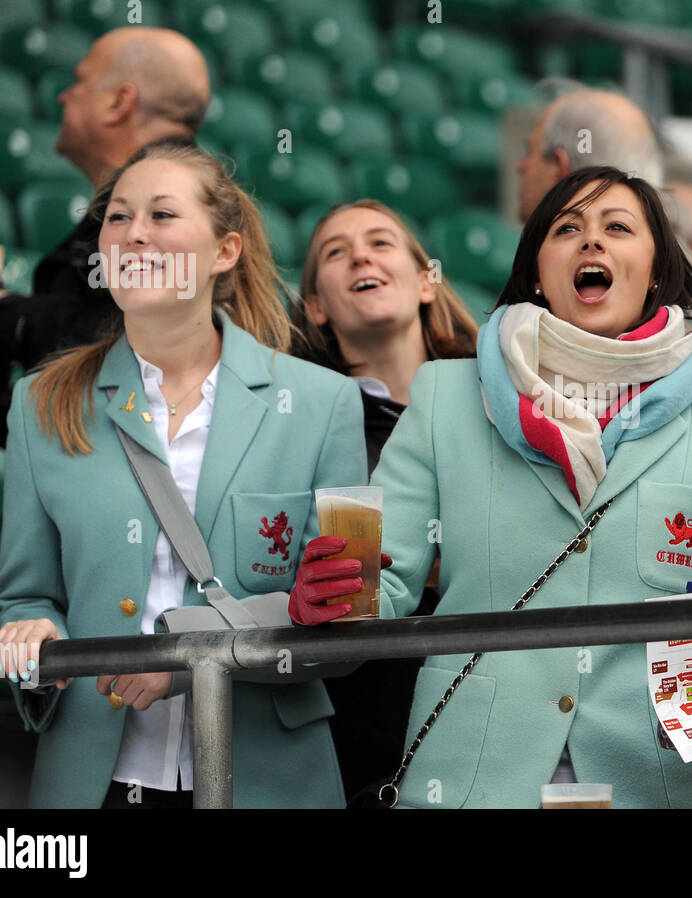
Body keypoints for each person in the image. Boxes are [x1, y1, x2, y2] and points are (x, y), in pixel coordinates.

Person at [291, 166, 692, 808]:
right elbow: (375, 574)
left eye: (617, 228)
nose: (592, 242)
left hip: (656, 782)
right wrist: (330, 592)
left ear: (656, 270)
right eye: (567, 229)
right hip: (471, 781)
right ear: (535, 271)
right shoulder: (443, 392)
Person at [0, 142, 367, 808]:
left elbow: (350, 622)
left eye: (162, 215)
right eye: (118, 217)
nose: (134, 233)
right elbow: (21, 598)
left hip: (271, 783)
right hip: (90, 783)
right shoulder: (38, 404)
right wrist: (32, 638)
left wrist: (189, 658)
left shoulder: (327, 402)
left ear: (225, 252)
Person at [0, 27, 210, 446]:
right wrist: (1, 418)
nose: (64, 96)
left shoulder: (166, 206)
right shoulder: (182, 196)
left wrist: (9, 319)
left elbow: (134, 354)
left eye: (80, 80)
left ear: (119, 103)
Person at [290, 199, 478, 803]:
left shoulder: (500, 402)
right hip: (365, 725)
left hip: (490, 705)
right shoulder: (304, 422)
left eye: (380, 241)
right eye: (336, 252)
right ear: (316, 305)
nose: (361, 255)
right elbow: (358, 589)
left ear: (428, 281)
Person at [517, 85, 692, 391]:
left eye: (530, 151)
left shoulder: (681, 305)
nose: (520, 165)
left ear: (560, 169)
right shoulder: (690, 284)